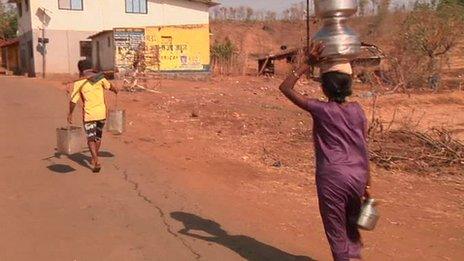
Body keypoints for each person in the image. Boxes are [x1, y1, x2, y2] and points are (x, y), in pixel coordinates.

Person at [279, 43, 371, 261]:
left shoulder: (321, 110)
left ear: (324, 88)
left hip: (332, 178)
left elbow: (286, 87)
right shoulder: (358, 110)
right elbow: (363, 146)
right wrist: (367, 182)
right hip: (357, 176)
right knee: (352, 227)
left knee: (336, 231)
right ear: (349, 86)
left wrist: (307, 63)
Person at [67, 63, 118, 173]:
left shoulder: (79, 83)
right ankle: (94, 159)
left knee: (90, 138)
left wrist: (70, 114)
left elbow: (73, 101)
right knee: (98, 137)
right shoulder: (100, 78)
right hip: (101, 114)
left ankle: (96, 160)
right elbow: (111, 87)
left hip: (89, 115)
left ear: (80, 70)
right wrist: (115, 90)